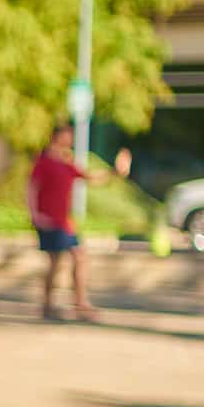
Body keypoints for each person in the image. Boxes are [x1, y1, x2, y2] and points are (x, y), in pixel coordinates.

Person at [29, 123, 131, 322]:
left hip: (64, 222)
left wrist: (114, 172)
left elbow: (89, 177)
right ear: (56, 137)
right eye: (67, 135)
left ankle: (79, 304)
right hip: (49, 221)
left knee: (78, 256)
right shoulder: (44, 161)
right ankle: (50, 305)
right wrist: (35, 215)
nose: (71, 139)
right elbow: (32, 188)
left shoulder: (67, 162)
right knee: (56, 263)